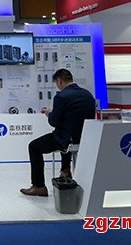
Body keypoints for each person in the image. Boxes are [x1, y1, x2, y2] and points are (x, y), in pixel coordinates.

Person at [20, 69, 95, 197]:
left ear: (59, 81)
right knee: (63, 135)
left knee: (34, 146)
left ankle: (38, 186)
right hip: (85, 138)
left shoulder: (61, 97)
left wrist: (49, 114)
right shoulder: (87, 94)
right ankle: (65, 170)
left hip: (67, 139)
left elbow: (54, 122)